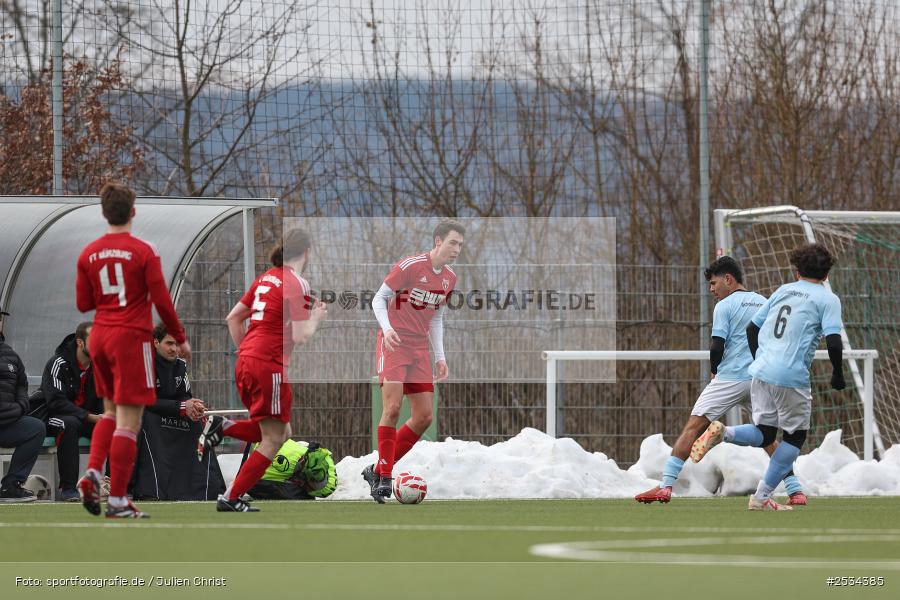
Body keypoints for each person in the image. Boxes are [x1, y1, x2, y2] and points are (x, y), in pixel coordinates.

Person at [635, 257, 807, 504]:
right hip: (760, 379)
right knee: (767, 436)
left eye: (714, 283)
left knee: (693, 427)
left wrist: (714, 370)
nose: (711, 289)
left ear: (728, 279)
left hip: (729, 378)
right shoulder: (764, 301)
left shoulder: (724, 306)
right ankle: (795, 490)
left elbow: (717, 345)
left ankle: (666, 486)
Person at [694, 244, 844, 511]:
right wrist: (838, 373)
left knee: (765, 433)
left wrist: (760, 360)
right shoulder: (828, 299)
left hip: (761, 370)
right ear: (826, 274)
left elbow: (753, 328)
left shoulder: (784, 290)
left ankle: (724, 432)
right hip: (791, 376)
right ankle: (762, 496)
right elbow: (833, 341)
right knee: (794, 438)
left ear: (797, 271)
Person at [75, 182, 191, 518]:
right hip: (130, 338)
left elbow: (83, 303)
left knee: (111, 412)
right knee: (130, 420)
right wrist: (180, 336)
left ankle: (94, 471)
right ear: (133, 211)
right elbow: (161, 299)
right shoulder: (143, 250)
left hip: (100, 337)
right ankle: (116, 500)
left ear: (103, 212)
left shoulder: (88, 253)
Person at [198, 227, 327, 512]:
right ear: (307, 252)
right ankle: (231, 497)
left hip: (246, 361)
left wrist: (248, 352)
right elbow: (302, 335)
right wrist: (316, 316)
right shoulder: (297, 283)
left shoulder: (265, 278)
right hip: (268, 365)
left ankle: (223, 427)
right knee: (273, 438)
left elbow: (233, 318)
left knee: (280, 432)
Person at [363, 220, 463, 503]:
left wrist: (440, 356)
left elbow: (437, 317)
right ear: (438, 241)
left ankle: (377, 470)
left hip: (419, 349)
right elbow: (378, 299)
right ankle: (385, 477)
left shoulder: (450, 278)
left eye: (460, 245)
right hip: (394, 343)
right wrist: (387, 330)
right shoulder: (410, 266)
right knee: (393, 408)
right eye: (452, 242)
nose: (456, 249)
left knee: (424, 417)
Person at [130, 323, 225, 500]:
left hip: (169, 413)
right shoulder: (143, 363)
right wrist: (182, 407)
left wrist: (193, 406)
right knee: (147, 419)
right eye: (169, 343)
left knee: (198, 424)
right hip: (141, 414)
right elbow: (144, 400)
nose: (174, 349)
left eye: (177, 344)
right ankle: (151, 490)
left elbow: (184, 396)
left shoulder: (180, 365)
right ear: (156, 343)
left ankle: (210, 489)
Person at [28, 322, 102, 501]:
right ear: (80, 342)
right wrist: (90, 416)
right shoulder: (58, 363)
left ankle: (112, 484)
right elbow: (56, 402)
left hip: (86, 418)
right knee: (69, 423)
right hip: (53, 417)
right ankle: (68, 488)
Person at [0, 308, 45, 502]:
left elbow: (21, 386)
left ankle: (11, 486)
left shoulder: (11, 355)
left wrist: (20, 408)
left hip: (7, 422)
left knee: (35, 428)